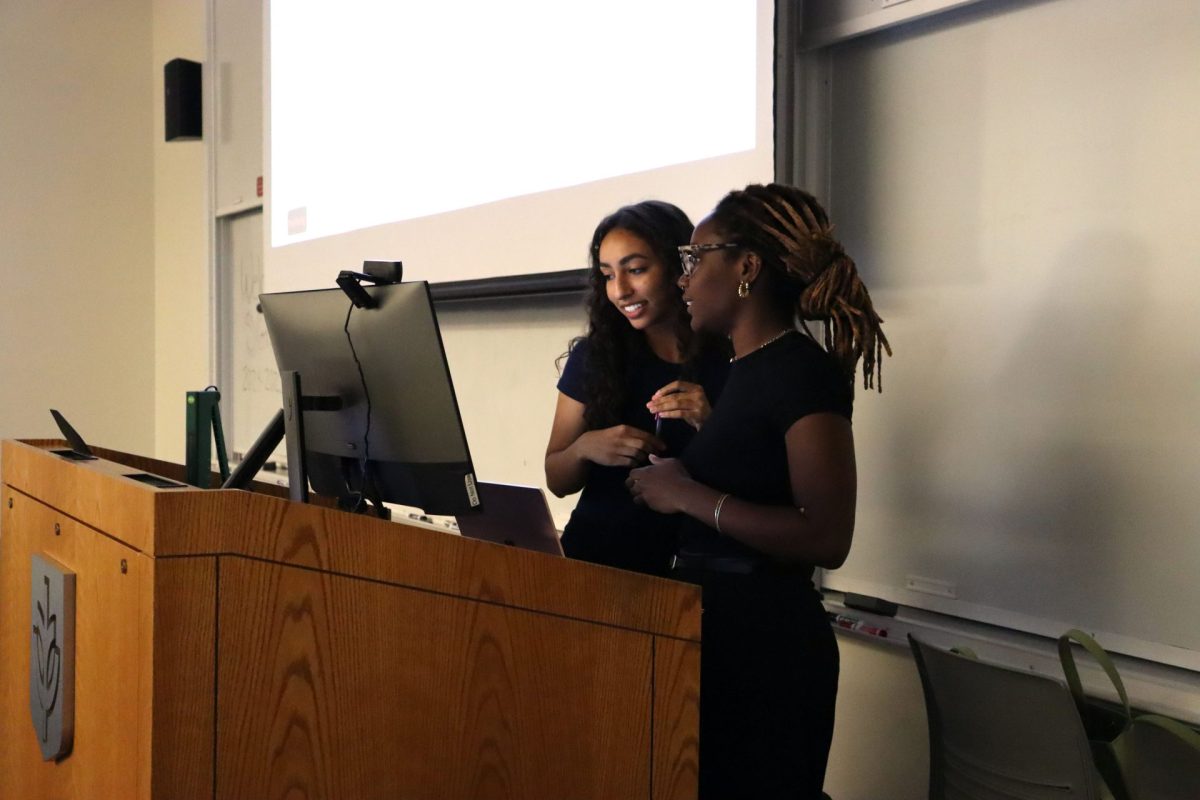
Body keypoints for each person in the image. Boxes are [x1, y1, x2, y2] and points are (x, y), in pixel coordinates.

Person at [628, 183, 890, 798]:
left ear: (746, 267)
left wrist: (686, 493)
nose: (682, 281)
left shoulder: (798, 369)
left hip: (767, 652)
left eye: (695, 260)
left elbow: (826, 535)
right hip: (716, 635)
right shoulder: (739, 371)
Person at [544, 200, 729, 577]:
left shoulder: (731, 355)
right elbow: (557, 479)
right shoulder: (595, 356)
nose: (621, 290)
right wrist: (584, 448)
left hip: (696, 574)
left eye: (636, 270)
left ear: (681, 267)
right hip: (595, 564)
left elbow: (759, 479)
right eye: (608, 275)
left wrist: (712, 426)